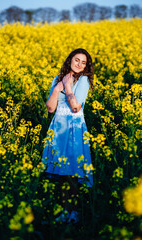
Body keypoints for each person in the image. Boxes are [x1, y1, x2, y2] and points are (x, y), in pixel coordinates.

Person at [42, 48, 94, 223]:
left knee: (73, 171)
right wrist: (57, 89)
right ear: (70, 60)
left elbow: (75, 107)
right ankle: (66, 212)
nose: (79, 64)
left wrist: (68, 86)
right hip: (58, 128)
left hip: (74, 127)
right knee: (63, 172)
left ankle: (76, 212)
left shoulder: (84, 80)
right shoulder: (57, 79)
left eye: (83, 62)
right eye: (76, 60)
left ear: (86, 66)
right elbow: (50, 108)